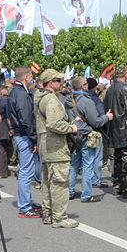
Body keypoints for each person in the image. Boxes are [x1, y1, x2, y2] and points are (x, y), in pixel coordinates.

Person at [34, 69, 79, 228]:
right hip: (55, 147)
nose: (62, 83)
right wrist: (71, 128)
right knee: (59, 182)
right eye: (59, 80)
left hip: (45, 145)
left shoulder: (40, 97)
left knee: (47, 181)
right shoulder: (51, 100)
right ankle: (59, 217)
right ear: (50, 82)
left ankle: (48, 213)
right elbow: (53, 124)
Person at [68, 77, 113, 202]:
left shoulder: (70, 98)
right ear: (83, 86)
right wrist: (107, 117)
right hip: (86, 135)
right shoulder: (86, 101)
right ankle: (86, 194)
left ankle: (70, 191)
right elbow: (96, 121)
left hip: (75, 134)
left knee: (75, 165)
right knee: (87, 165)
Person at [9, 66, 42, 219]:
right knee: (26, 172)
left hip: (20, 134)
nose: (33, 79)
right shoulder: (21, 93)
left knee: (26, 171)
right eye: (31, 76)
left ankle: (26, 202)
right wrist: (34, 138)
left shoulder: (16, 91)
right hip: (23, 135)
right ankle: (25, 207)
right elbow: (26, 119)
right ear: (27, 77)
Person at [104, 66, 127, 197]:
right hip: (124, 128)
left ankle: (117, 185)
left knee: (118, 158)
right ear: (125, 75)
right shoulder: (125, 89)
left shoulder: (110, 89)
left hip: (113, 127)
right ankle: (126, 187)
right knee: (126, 159)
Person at [85, 77, 108, 189]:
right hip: (96, 131)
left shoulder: (80, 97)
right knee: (96, 158)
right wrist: (106, 118)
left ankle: (90, 180)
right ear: (95, 87)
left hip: (83, 130)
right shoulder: (95, 99)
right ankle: (96, 180)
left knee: (87, 159)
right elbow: (100, 115)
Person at [0, 85, 12, 178]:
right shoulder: (5, 101)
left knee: (2, 149)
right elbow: (8, 116)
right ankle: (2, 171)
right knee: (2, 150)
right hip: (3, 126)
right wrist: (10, 128)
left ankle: (3, 170)